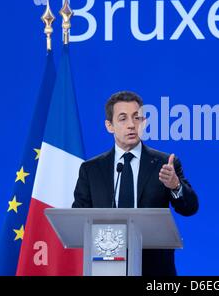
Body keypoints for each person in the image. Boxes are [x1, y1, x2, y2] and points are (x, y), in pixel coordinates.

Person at [72, 91, 199, 276]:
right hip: (106, 266)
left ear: (144, 122)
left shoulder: (165, 164)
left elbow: (190, 208)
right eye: (123, 119)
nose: (131, 125)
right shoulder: (91, 169)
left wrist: (175, 185)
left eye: (137, 118)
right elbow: (79, 218)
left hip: (155, 270)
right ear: (109, 126)